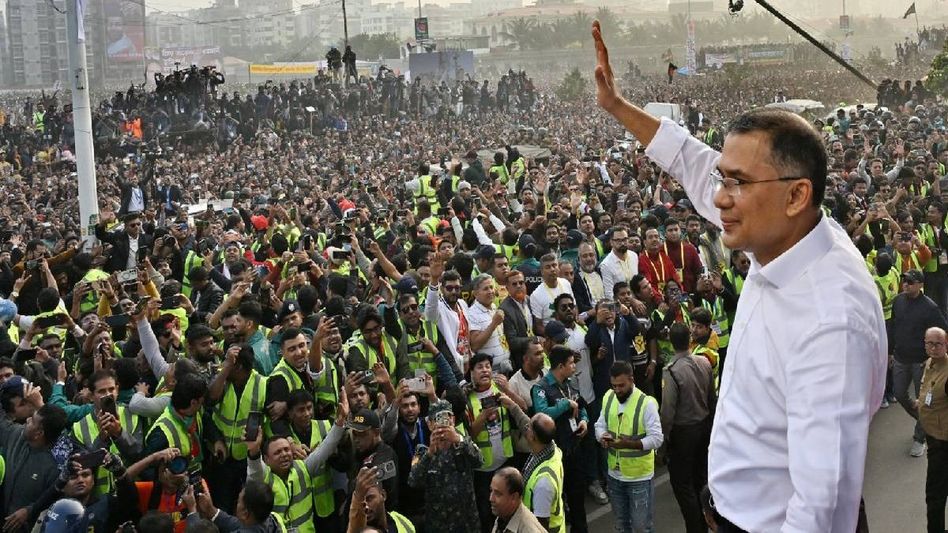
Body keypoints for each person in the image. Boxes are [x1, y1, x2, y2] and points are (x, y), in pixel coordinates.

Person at [594, 21, 887, 532]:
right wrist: (619, 107)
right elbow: (690, 160)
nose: (721, 197)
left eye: (738, 183)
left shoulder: (830, 319)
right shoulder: (782, 230)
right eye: (722, 180)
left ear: (797, 194)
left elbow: (823, 509)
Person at [594, 361, 663, 533]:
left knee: (641, 528)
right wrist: (602, 436)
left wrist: (628, 444)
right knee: (621, 525)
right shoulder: (609, 397)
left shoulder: (645, 404)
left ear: (632, 380)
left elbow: (657, 439)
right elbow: (599, 425)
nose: (617, 390)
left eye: (621, 386)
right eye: (614, 385)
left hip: (639, 478)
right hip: (614, 476)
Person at [660, 323, 716, 532]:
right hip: (703, 427)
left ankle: (696, 528)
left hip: (683, 433)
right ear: (690, 338)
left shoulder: (671, 371)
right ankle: (708, 519)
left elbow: (668, 412)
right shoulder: (704, 362)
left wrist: (664, 441)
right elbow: (712, 398)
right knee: (700, 478)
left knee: (683, 486)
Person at [890, 269, 948, 457]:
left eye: (910, 282)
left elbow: (942, 331)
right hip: (900, 358)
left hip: (920, 363)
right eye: (904, 281)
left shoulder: (930, 308)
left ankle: (919, 438)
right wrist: (890, 351)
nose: (906, 284)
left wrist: (936, 358)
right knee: (899, 394)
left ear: (920, 285)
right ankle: (924, 421)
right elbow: (893, 326)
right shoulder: (898, 301)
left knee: (924, 402)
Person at [530, 346, 587, 533]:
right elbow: (542, 414)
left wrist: (584, 421)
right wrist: (564, 404)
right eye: (571, 363)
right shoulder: (541, 388)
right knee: (558, 500)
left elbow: (582, 405)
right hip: (555, 454)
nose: (574, 366)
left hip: (574, 447)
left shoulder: (570, 382)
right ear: (560, 366)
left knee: (578, 497)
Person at [0, 383, 67, 533]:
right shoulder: (16, 435)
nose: (28, 420)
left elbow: (54, 501)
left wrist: (30, 511)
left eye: (33, 420)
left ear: (39, 433)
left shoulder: (55, 467)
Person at [407, 400, 481, 533]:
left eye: (447, 417)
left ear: (453, 419)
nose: (443, 423)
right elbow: (413, 481)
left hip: (467, 522)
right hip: (439, 524)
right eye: (438, 419)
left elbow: (479, 461)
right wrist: (430, 454)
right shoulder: (423, 451)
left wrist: (459, 439)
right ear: (430, 424)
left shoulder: (463, 444)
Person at [918, 326, 948, 533]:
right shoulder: (930, 363)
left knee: (935, 495)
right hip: (934, 439)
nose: (933, 348)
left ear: (946, 345)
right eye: (929, 343)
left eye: (938, 343)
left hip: (943, 444)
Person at [521, 413, 564, 533]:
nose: (526, 428)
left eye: (528, 427)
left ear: (533, 437)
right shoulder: (552, 449)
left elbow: (541, 526)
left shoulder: (543, 484)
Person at [489, 467, 546, 533]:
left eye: (498, 494)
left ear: (514, 497)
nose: (491, 498)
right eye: (491, 490)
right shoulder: (503, 515)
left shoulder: (528, 529)